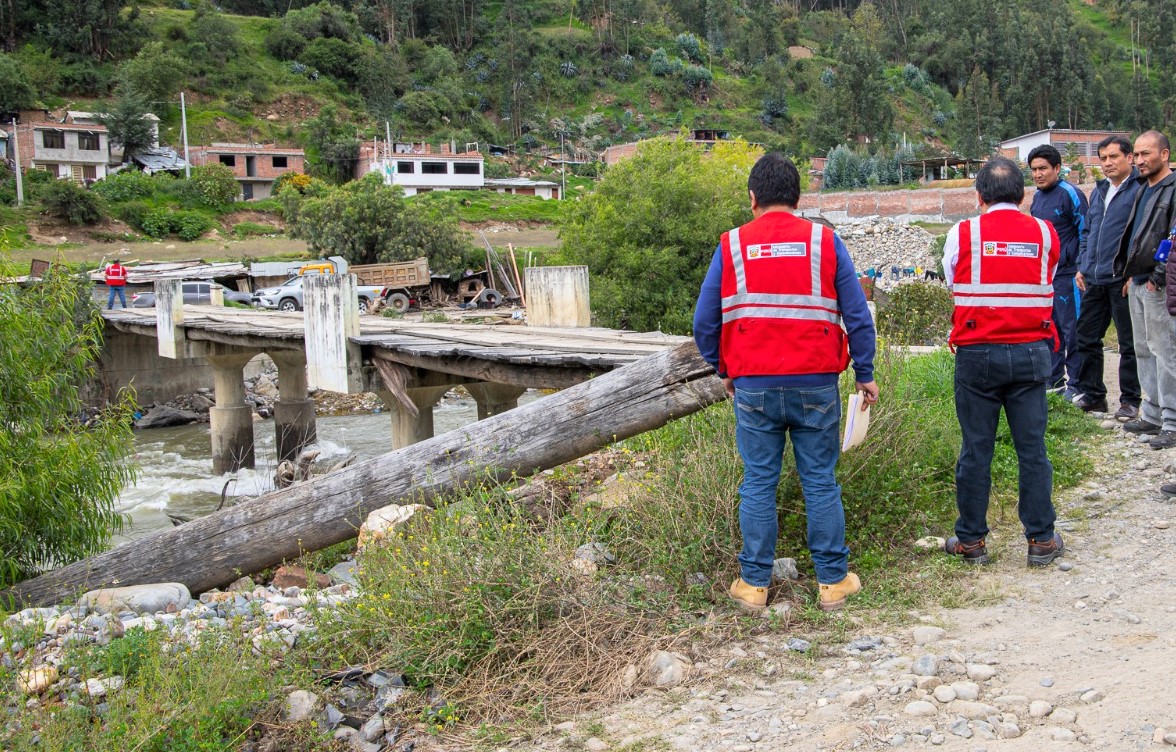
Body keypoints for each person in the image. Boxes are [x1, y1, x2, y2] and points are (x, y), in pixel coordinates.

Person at [693, 153, 879, 613]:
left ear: (752, 198)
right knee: (819, 480)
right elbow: (857, 315)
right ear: (797, 198)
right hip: (816, 382)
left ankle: (754, 586)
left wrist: (725, 368)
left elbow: (703, 322)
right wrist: (866, 373)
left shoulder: (732, 244)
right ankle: (833, 583)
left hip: (753, 385)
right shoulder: (825, 242)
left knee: (758, 481)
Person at [941, 156, 1064, 567]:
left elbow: (952, 278)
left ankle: (972, 541)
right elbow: (1048, 275)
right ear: (1023, 194)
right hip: (1031, 352)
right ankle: (1041, 540)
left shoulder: (964, 233)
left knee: (976, 449)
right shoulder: (1045, 234)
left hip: (977, 354)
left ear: (979, 197)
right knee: (1033, 449)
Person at [1115, 131, 1176, 450]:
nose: (1138, 160)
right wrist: (1130, 274)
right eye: (1136, 154)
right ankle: (1151, 413)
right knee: (1142, 348)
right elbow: (1136, 236)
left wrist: (1157, 274)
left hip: (1158, 283)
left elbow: (1174, 237)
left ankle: (1172, 419)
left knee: (1166, 350)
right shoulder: (1142, 189)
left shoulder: (1173, 188)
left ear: (1164, 155)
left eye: (1145, 154)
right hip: (1137, 281)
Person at [1073, 135, 1141, 419]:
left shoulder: (1140, 189)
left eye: (1114, 157)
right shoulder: (1099, 191)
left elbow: (1142, 234)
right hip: (1094, 277)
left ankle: (1130, 400)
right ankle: (1094, 396)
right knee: (1086, 337)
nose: (1108, 163)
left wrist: (1133, 272)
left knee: (1128, 343)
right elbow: (1088, 233)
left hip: (1121, 278)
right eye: (1103, 158)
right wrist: (1082, 265)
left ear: (1129, 157)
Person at [1029, 144, 1088, 401]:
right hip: (1045, 276)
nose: (1038, 174)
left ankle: (1077, 384)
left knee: (1071, 329)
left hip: (1069, 275)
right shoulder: (1036, 199)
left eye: (1043, 168)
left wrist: (1082, 266)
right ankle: (1053, 381)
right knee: (1049, 330)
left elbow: (1086, 230)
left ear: (1057, 168)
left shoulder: (1071, 195)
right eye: (1034, 170)